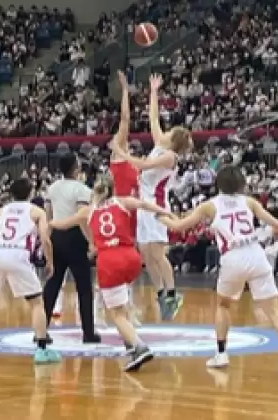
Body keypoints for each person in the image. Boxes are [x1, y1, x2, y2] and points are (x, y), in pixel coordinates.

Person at [156, 165, 278, 375]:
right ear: (241, 183)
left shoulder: (209, 206)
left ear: (218, 184)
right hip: (255, 253)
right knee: (273, 310)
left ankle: (221, 353)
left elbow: (179, 227)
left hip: (233, 257)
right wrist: (276, 232)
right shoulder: (249, 202)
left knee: (224, 306)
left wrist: (161, 217)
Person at [48, 174, 171, 371]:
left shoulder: (88, 211)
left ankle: (139, 347)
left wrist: (44, 223)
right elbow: (145, 205)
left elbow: (61, 224)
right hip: (131, 258)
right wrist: (165, 212)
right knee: (121, 306)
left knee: (116, 314)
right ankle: (130, 344)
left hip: (109, 261)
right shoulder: (122, 201)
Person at [111, 73, 193, 321]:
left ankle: (172, 292)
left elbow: (142, 166)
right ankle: (161, 295)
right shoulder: (161, 143)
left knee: (157, 253)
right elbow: (154, 117)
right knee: (145, 252)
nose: (164, 132)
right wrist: (153, 90)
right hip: (145, 204)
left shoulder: (169, 157)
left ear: (173, 140)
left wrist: (120, 153)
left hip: (156, 205)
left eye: (170, 132)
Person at [0, 178, 60, 364]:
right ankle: (41, 350)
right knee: (36, 303)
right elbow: (46, 240)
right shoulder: (37, 211)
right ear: (31, 193)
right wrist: (50, 262)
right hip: (17, 254)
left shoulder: (2, 211)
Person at [43, 153, 100, 343]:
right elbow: (82, 219)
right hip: (75, 237)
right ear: (76, 168)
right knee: (84, 288)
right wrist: (91, 241)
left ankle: (41, 329)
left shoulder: (51, 188)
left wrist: (49, 238)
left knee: (53, 285)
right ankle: (88, 333)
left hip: (57, 235)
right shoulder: (82, 190)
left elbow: (48, 216)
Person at [108, 70, 142, 326]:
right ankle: (117, 304)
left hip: (134, 210)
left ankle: (128, 304)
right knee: (122, 254)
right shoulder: (118, 154)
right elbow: (126, 118)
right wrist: (125, 91)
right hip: (119, 209)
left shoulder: (133, 160)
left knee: (132, 255)